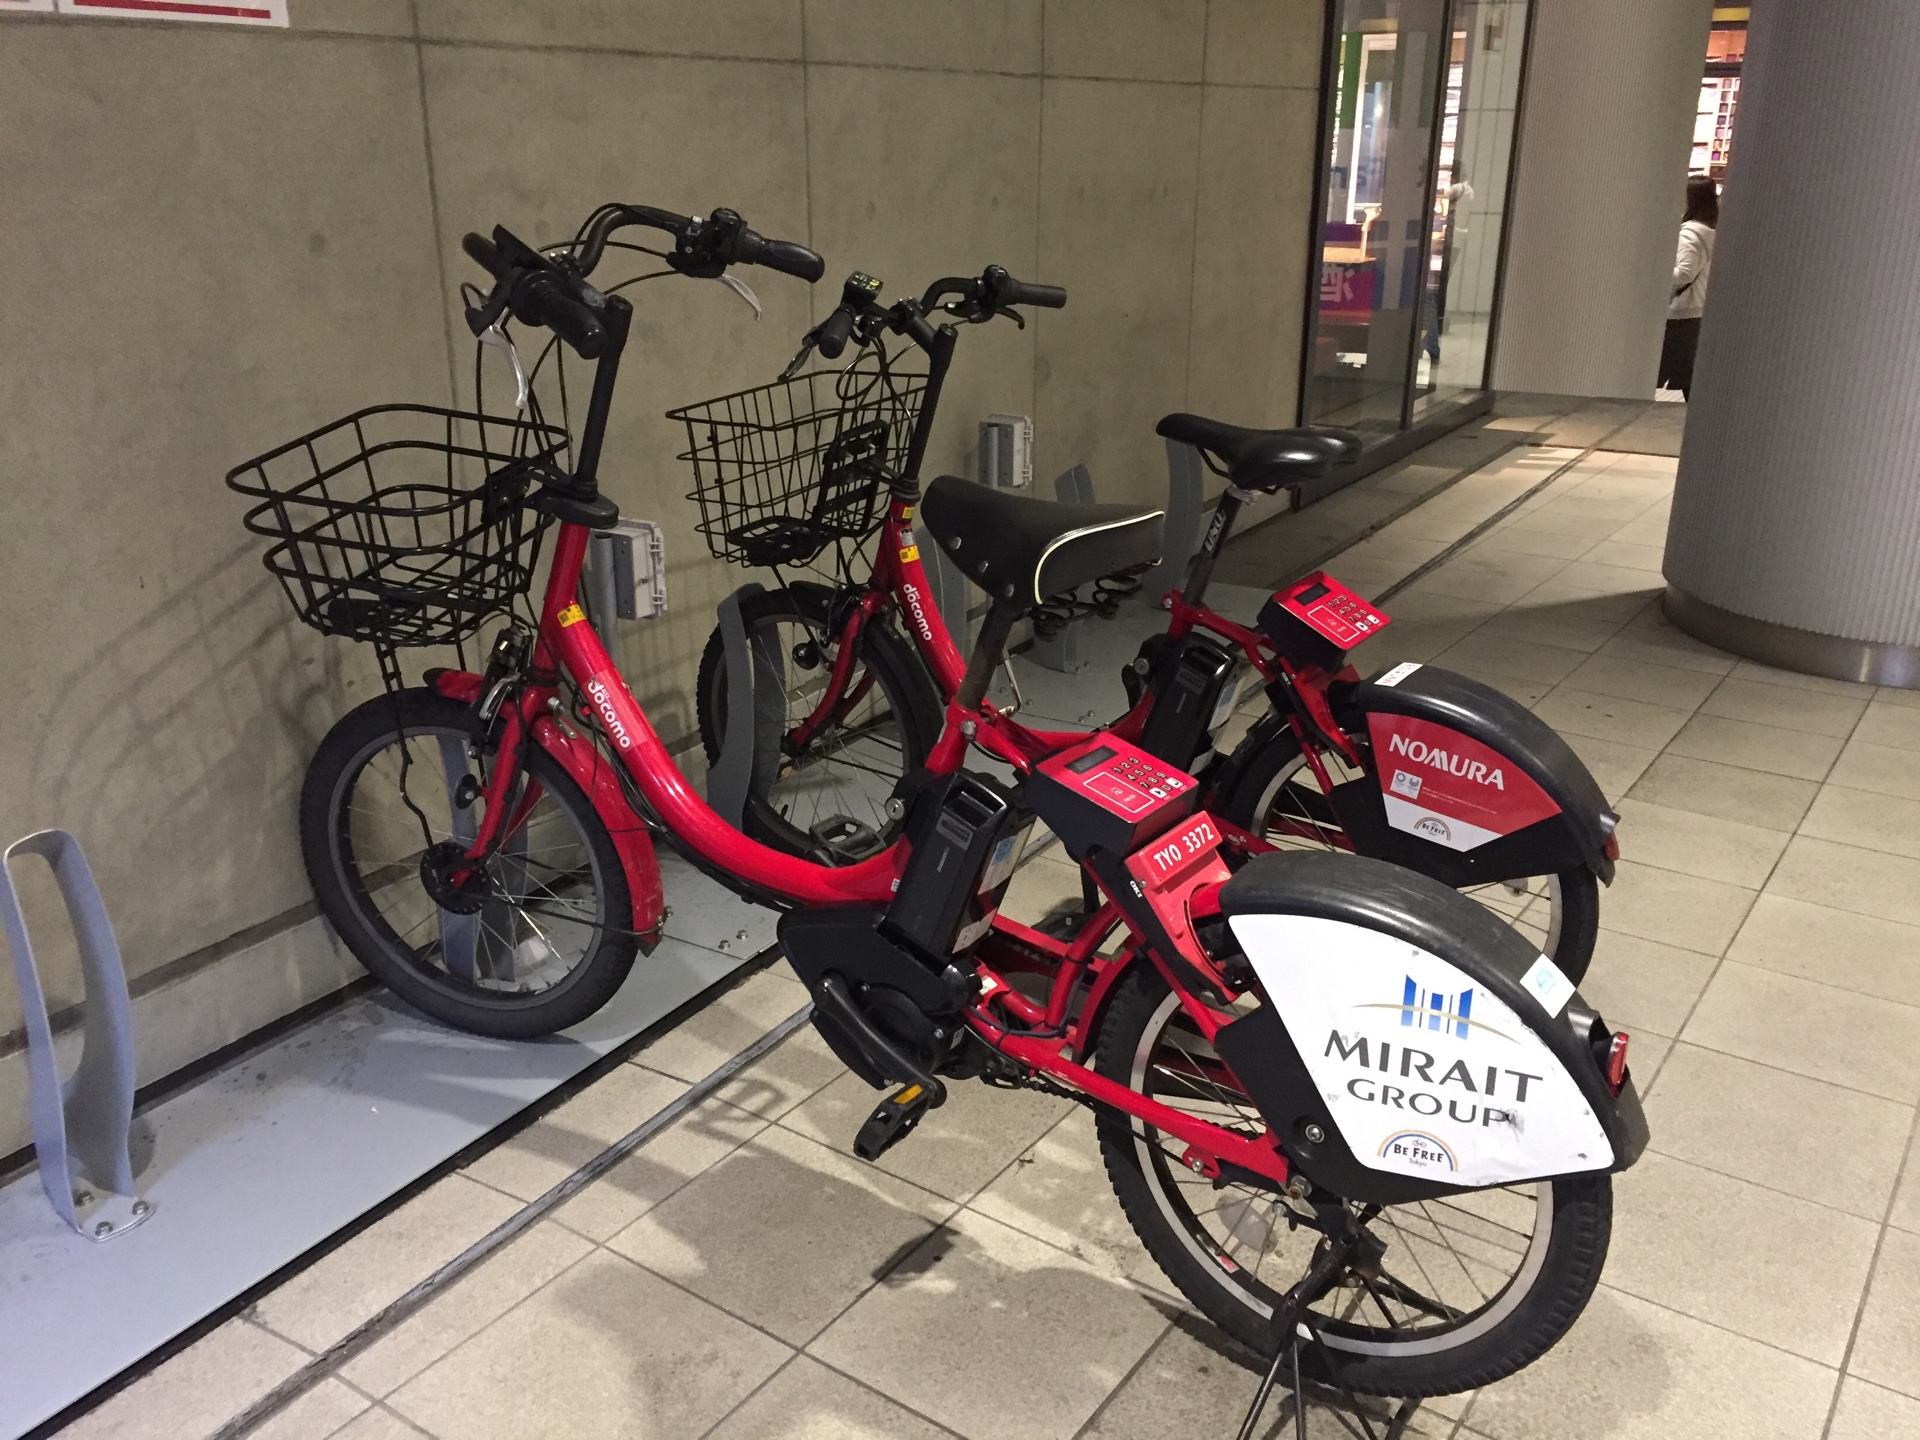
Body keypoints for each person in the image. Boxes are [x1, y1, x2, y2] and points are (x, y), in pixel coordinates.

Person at [1659, 175, 1719, 399]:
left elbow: (1684, 273)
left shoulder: (1689, 234)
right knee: (1688, 375)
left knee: (1665, 370)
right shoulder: (1712, 230)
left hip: (1681, 312)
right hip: (1697, 308)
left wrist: (1655, 277)